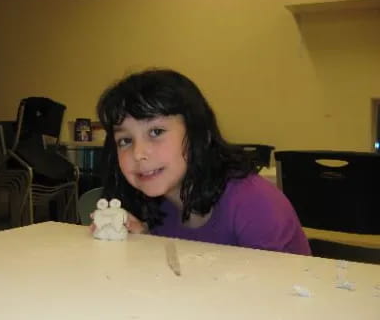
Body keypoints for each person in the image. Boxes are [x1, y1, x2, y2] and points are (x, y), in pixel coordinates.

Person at [93, 68, 311, 255]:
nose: (138, 153)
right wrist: (146, 241)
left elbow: (264, 297)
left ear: (199, 134)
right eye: (125, 140)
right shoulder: (155, 204)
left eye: (156, 131)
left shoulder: (254, 204)